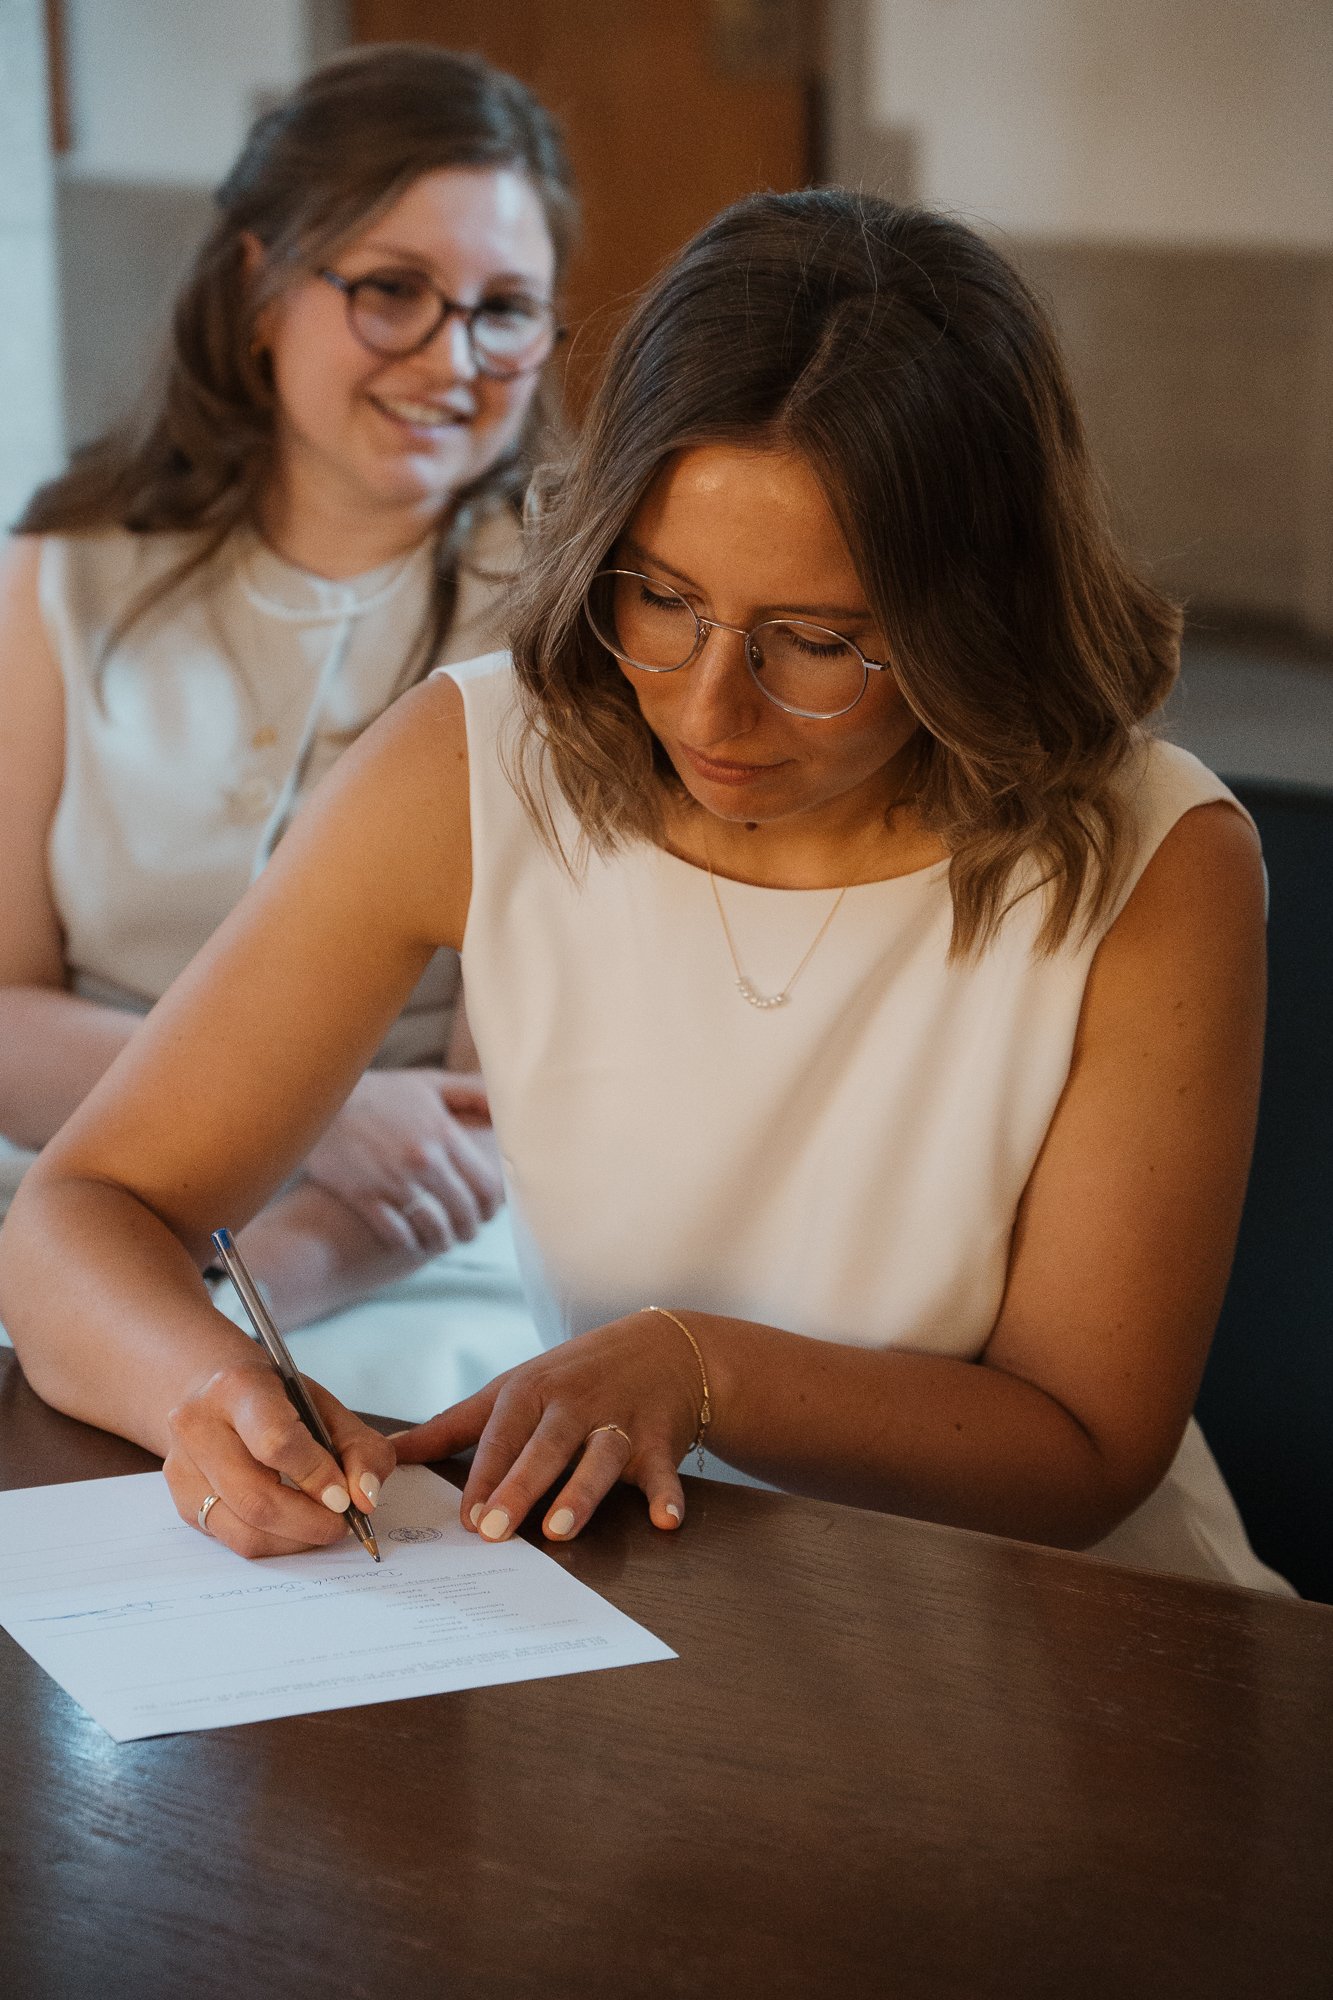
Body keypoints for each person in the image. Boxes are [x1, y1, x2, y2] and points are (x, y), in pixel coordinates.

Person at [0, 189, 1290, 1593]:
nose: (709, 708)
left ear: (973, 613)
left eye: (816, 642)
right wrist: (207, 1392)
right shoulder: (473, 763)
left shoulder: (1154, 856)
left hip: (1061, 1634)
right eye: (660, 599)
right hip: (648, 1595)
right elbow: (82, 1218)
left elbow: (1085, 1453)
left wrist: (702, 1366)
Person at [0, 45, 576, 1328]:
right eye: (392, 291)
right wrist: (319, 1109)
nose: (452, 356)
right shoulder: (65, 571)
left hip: (399, 1258)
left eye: (504, 309)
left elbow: (505, 1112)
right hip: (42, 1199)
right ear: (260, 288)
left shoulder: (568, 624)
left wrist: (235, 1293)